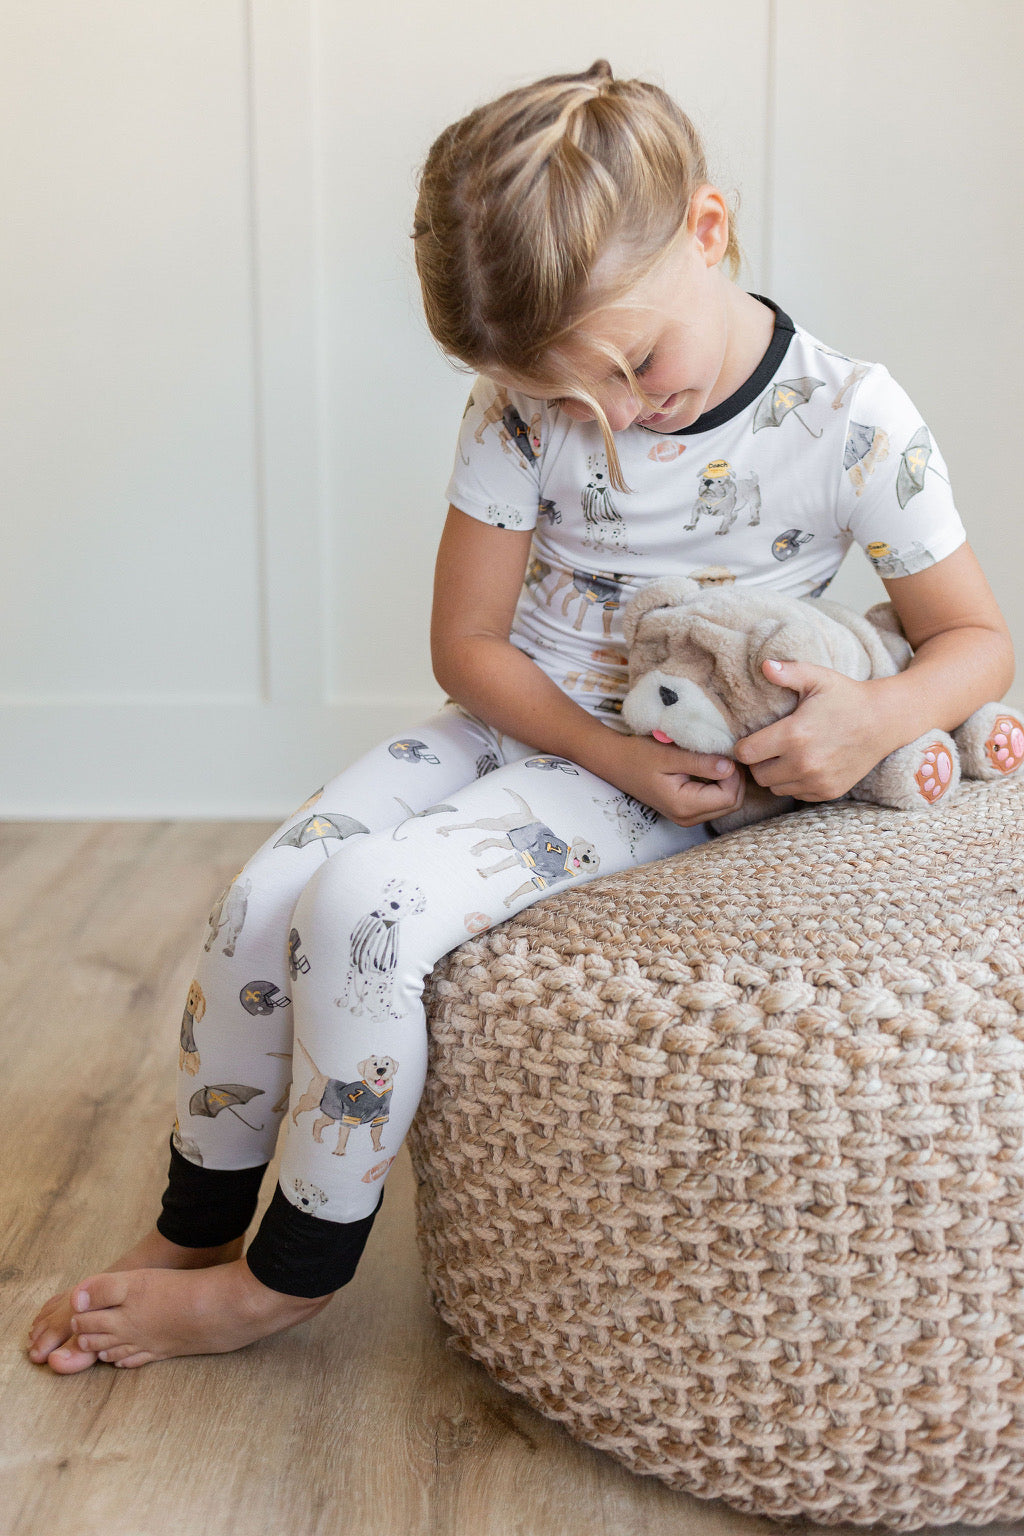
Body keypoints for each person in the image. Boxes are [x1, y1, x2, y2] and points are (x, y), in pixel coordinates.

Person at [29, 60, 1014, 1372]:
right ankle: (195, 1226)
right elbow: (470, 647)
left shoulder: (849, 422)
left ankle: (287, 1279)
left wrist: (876, 714)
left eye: (629, 368)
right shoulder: (515, 411)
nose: (604, 422)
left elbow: (977, 642)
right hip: (546, 728)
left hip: (662, 768)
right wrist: (592, 737)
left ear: (707, 232)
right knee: (262, 899)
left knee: (366, 912)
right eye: (563, 401)